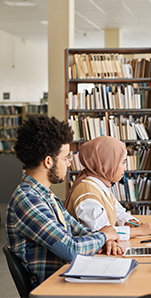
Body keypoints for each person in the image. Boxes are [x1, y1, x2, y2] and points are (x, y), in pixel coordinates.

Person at [5, 116, 121, 288]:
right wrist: (104, 235)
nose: (69, 165)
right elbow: (71, 249)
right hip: (55, 287)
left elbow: (78, 230)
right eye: (66, 158)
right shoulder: (28, 200)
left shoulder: (46, 196)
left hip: (69, 277)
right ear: (49, 161)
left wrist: (105, 239)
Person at [64, 136, 151, 240]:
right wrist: (138, 231)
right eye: (123, 162)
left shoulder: (100, 184)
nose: (125, 168)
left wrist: (129, 222)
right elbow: (102, 233)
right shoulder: (87, 194)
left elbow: (119, 213)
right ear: (107, 162)